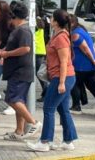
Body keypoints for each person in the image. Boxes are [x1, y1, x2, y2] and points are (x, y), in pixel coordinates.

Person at [27, 9, 78, 151]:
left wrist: (61, 83)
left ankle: (45, 141)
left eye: (52, 18)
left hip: (62, 77)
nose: (50, 20)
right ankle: (68, 141)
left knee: (48, 108)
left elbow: (63, 62)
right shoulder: (59, 35)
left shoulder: (61, 37)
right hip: (64, 76)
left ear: (55, 21)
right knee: (63, 110)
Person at [0, 2, 41, 141]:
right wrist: (3, 51)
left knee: (13, 100)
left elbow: (26, 48)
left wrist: (7, 54)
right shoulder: (18, 30)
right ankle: (19, 130)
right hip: (16, 70)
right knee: (18, 101)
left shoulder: (23, 30)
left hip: (20, 71)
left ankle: (33, 123)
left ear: (14, 16)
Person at [69, 15, 95, 115]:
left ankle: (76, 106)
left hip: (82, 66)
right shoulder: (82, 30)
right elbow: (90, 46)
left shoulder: (75, 34)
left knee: (73, 84)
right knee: (92, 86)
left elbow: (86, 49)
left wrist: (93, 60)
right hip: (88, 65)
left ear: (72, 23)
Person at [34, 15, 48, 102]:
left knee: (40, 74)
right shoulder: (40, 21)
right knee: (39, 74)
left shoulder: (36, 22)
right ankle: (45, 92)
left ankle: (46, 93)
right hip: (39, 50)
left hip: (38, 51)